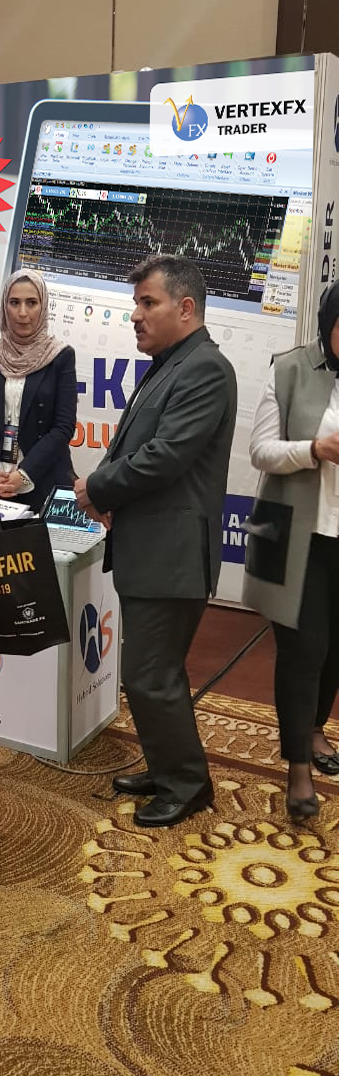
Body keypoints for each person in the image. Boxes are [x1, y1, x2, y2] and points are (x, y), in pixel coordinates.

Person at [75, 254, 237, 828]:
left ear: (185, 308)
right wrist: (103, 486)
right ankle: (167, 766)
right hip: (151, 550)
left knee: (152, 675)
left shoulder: (205, 369)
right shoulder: (170, 363)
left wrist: (97, 487)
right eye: (136, 304)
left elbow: (164, 458)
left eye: (149, 303)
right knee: (148, 672)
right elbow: (132, 445)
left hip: (173, 557)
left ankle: (187, 785)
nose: (136, 316)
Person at [242, 282, 339, 821]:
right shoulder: (290, 368)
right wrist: (313, 449)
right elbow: (260, 451)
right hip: (301, 539)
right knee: (305, 653)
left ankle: (315, 728)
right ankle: (298, 770)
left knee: (335, 650)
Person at [0, 268, 77, 512]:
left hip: (42, 480)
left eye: (31, 303)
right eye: (14, 302)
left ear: (43, 307)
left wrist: (24, 474)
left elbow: (63, 427)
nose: (22, 313)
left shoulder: (60, 356)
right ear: (5, 307)